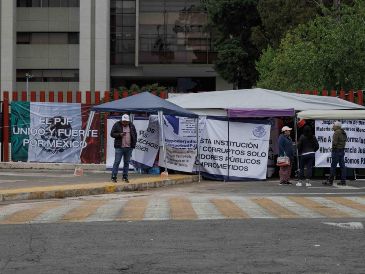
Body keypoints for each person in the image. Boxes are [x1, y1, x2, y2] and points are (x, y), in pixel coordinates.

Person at [110, 114, 137, 183]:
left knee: (126, 163)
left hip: (129, 148)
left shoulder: (131, 125)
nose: (125, 123)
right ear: (121, 120)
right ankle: (114, 177)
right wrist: (119, 134)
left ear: (128, 121)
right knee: (117, 162)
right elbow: (112, 134)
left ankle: (125, 177)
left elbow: (135, 134)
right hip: (119, 147)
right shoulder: (117, 124)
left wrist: (133, 144)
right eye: (124, 121)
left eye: (126, 121)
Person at [323, 121, 347, 186]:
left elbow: (334, 143)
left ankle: (330, 181)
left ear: (337, 126)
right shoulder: (343, 132)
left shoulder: (336, 132)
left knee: (333, 166)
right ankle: (343, 181)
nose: (333, 126)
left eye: (333, 125)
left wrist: (333, 149)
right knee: (342, 166)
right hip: (342, 150)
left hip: (336, 151)